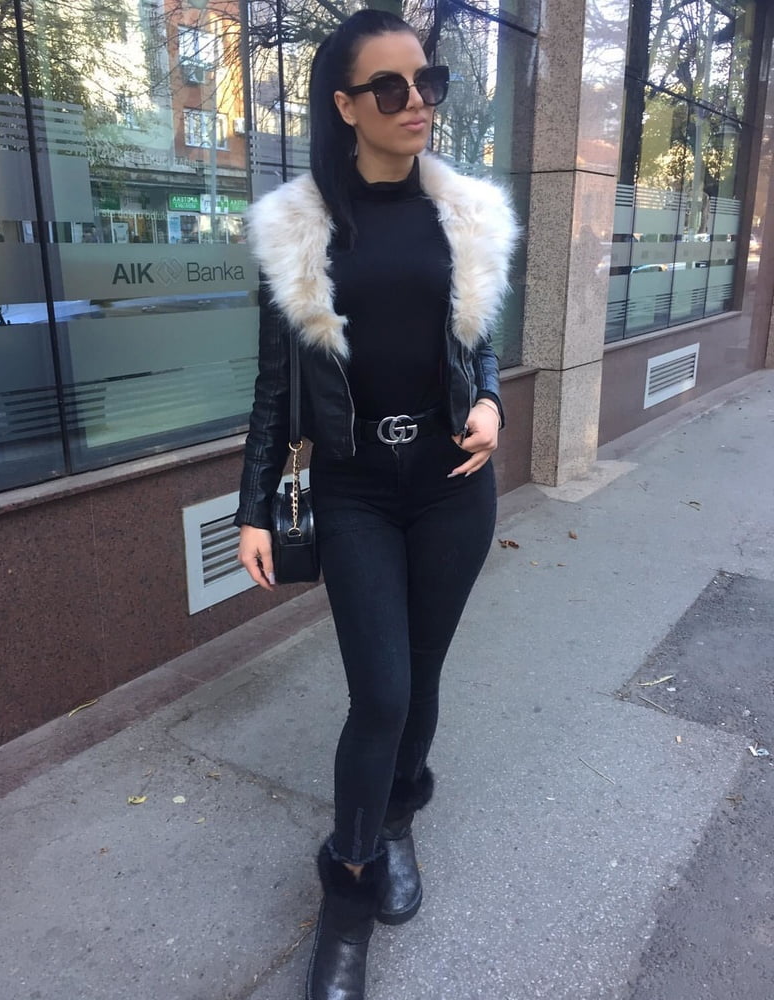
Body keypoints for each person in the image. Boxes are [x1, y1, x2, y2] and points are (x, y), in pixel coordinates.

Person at [234, 10, 518, 999]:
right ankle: (347, 901)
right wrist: (255, 505)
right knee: (381, 692)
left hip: (451, 488)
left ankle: (395, 822)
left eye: (426, 82)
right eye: (389, 87)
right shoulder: (298, 227)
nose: (416, 102)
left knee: (421, 677)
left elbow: (477, 342)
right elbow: (275, 384)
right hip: (353, 488)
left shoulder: (463, 214)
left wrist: (490, 401)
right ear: (345, 105)